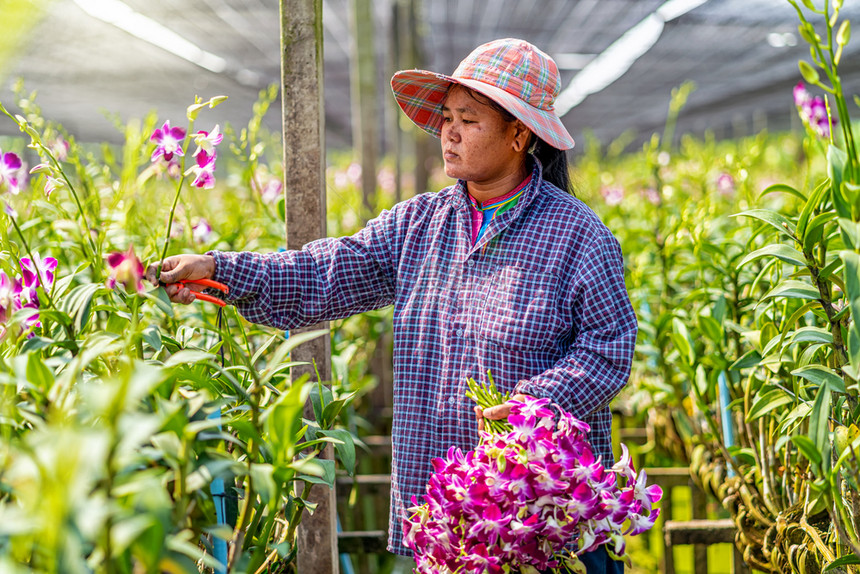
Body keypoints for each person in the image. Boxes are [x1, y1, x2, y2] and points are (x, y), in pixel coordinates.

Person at [148, 38, 636, 573]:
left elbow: (608, 348)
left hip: (541, 520)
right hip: (447, 522)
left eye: (469, 120)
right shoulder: (418, 225)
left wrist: (535, 403)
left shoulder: (578, 236)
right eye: (447, 117)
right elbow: (321, 273)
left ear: (520, 133)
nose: (448, 132)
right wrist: (221, 271)